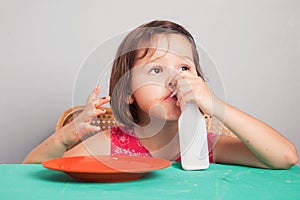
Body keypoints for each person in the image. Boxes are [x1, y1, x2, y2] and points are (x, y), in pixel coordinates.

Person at [23, 20, 298, 169]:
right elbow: (28, 173)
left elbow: (285, 159)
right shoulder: (110, 144)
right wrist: (63, 138)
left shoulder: (205, 145)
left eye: (184, 67)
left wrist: (216, 105)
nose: (175, 78)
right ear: (127, 91)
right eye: (155, 70)